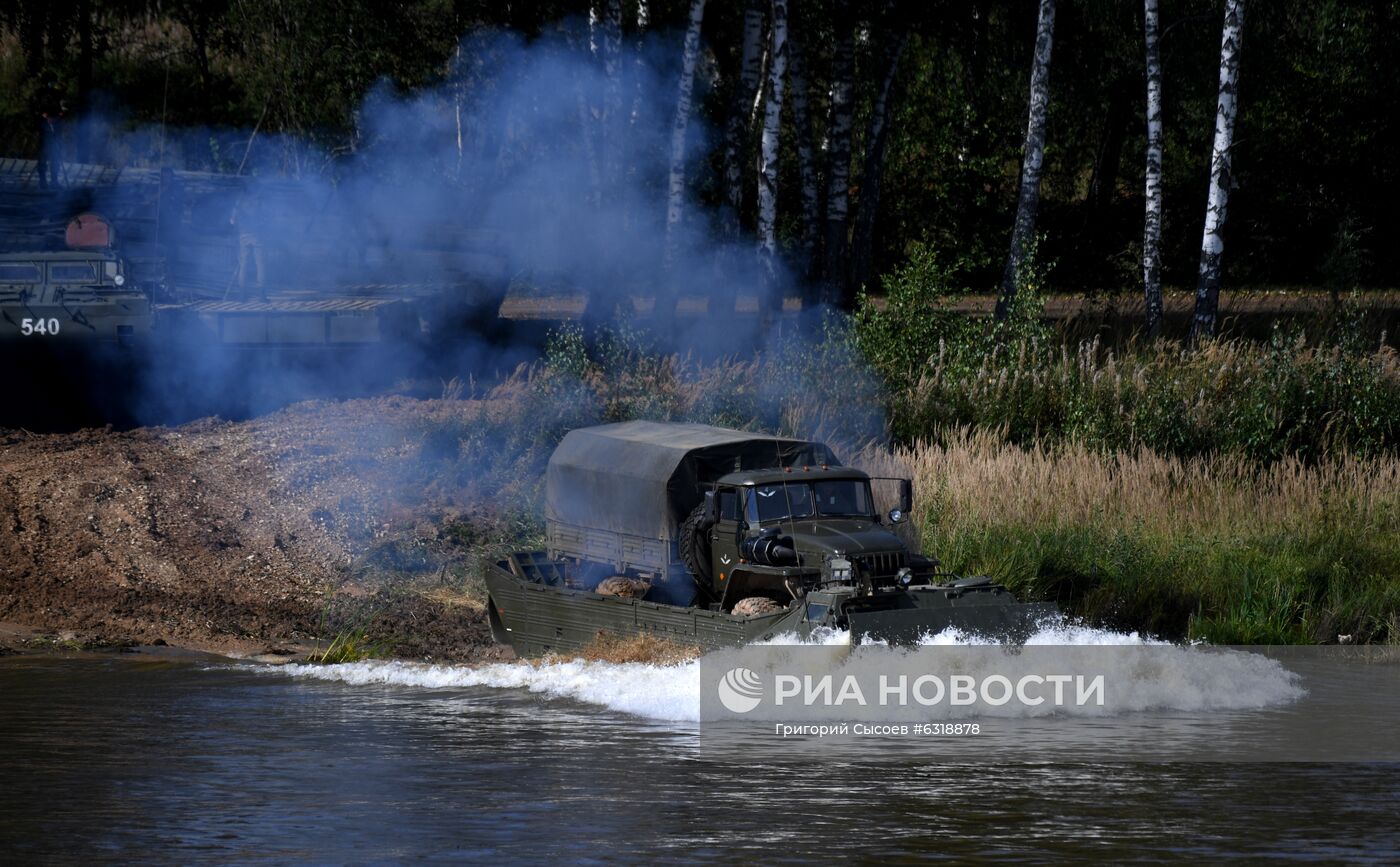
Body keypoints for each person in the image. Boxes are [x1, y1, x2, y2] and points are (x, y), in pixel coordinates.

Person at [230, 192, 267, 301]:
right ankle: (262, 296)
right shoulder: (258, 202)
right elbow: (265, 219)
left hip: (243, 236)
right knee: (260, 265)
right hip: (257, 235)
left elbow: (232, 221)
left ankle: (242, 296)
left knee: (243, 265)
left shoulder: (239, 203)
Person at [33, 73, 66, 189]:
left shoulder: (57, 94)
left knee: (56, 154)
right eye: (50, 81)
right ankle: (43, 181)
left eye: (53, 81)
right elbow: (35, 108)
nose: (52, 84)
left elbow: (63, 108)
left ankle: (54, 180)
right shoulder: (39, 93)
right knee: (43, 154)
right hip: (44, 127)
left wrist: (58, 116)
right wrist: (44, 116)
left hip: (56, 127)